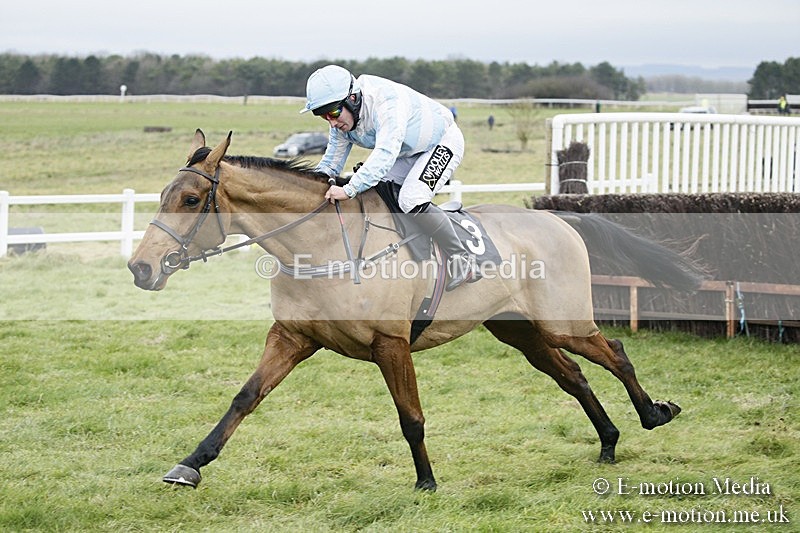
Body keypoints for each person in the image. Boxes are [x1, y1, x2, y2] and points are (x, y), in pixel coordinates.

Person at [301, 65, 478, 291]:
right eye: (323, 116)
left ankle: (461, 257)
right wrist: (307, 188)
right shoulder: (340, 123)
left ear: (353, 99)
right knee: (374, 193)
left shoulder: (386, 103)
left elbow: (385, 154)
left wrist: (348, 189)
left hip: (442, 142)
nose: (332, 122)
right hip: (407, 152)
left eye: (334, 113)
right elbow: (330, 164)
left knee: (411, 199)